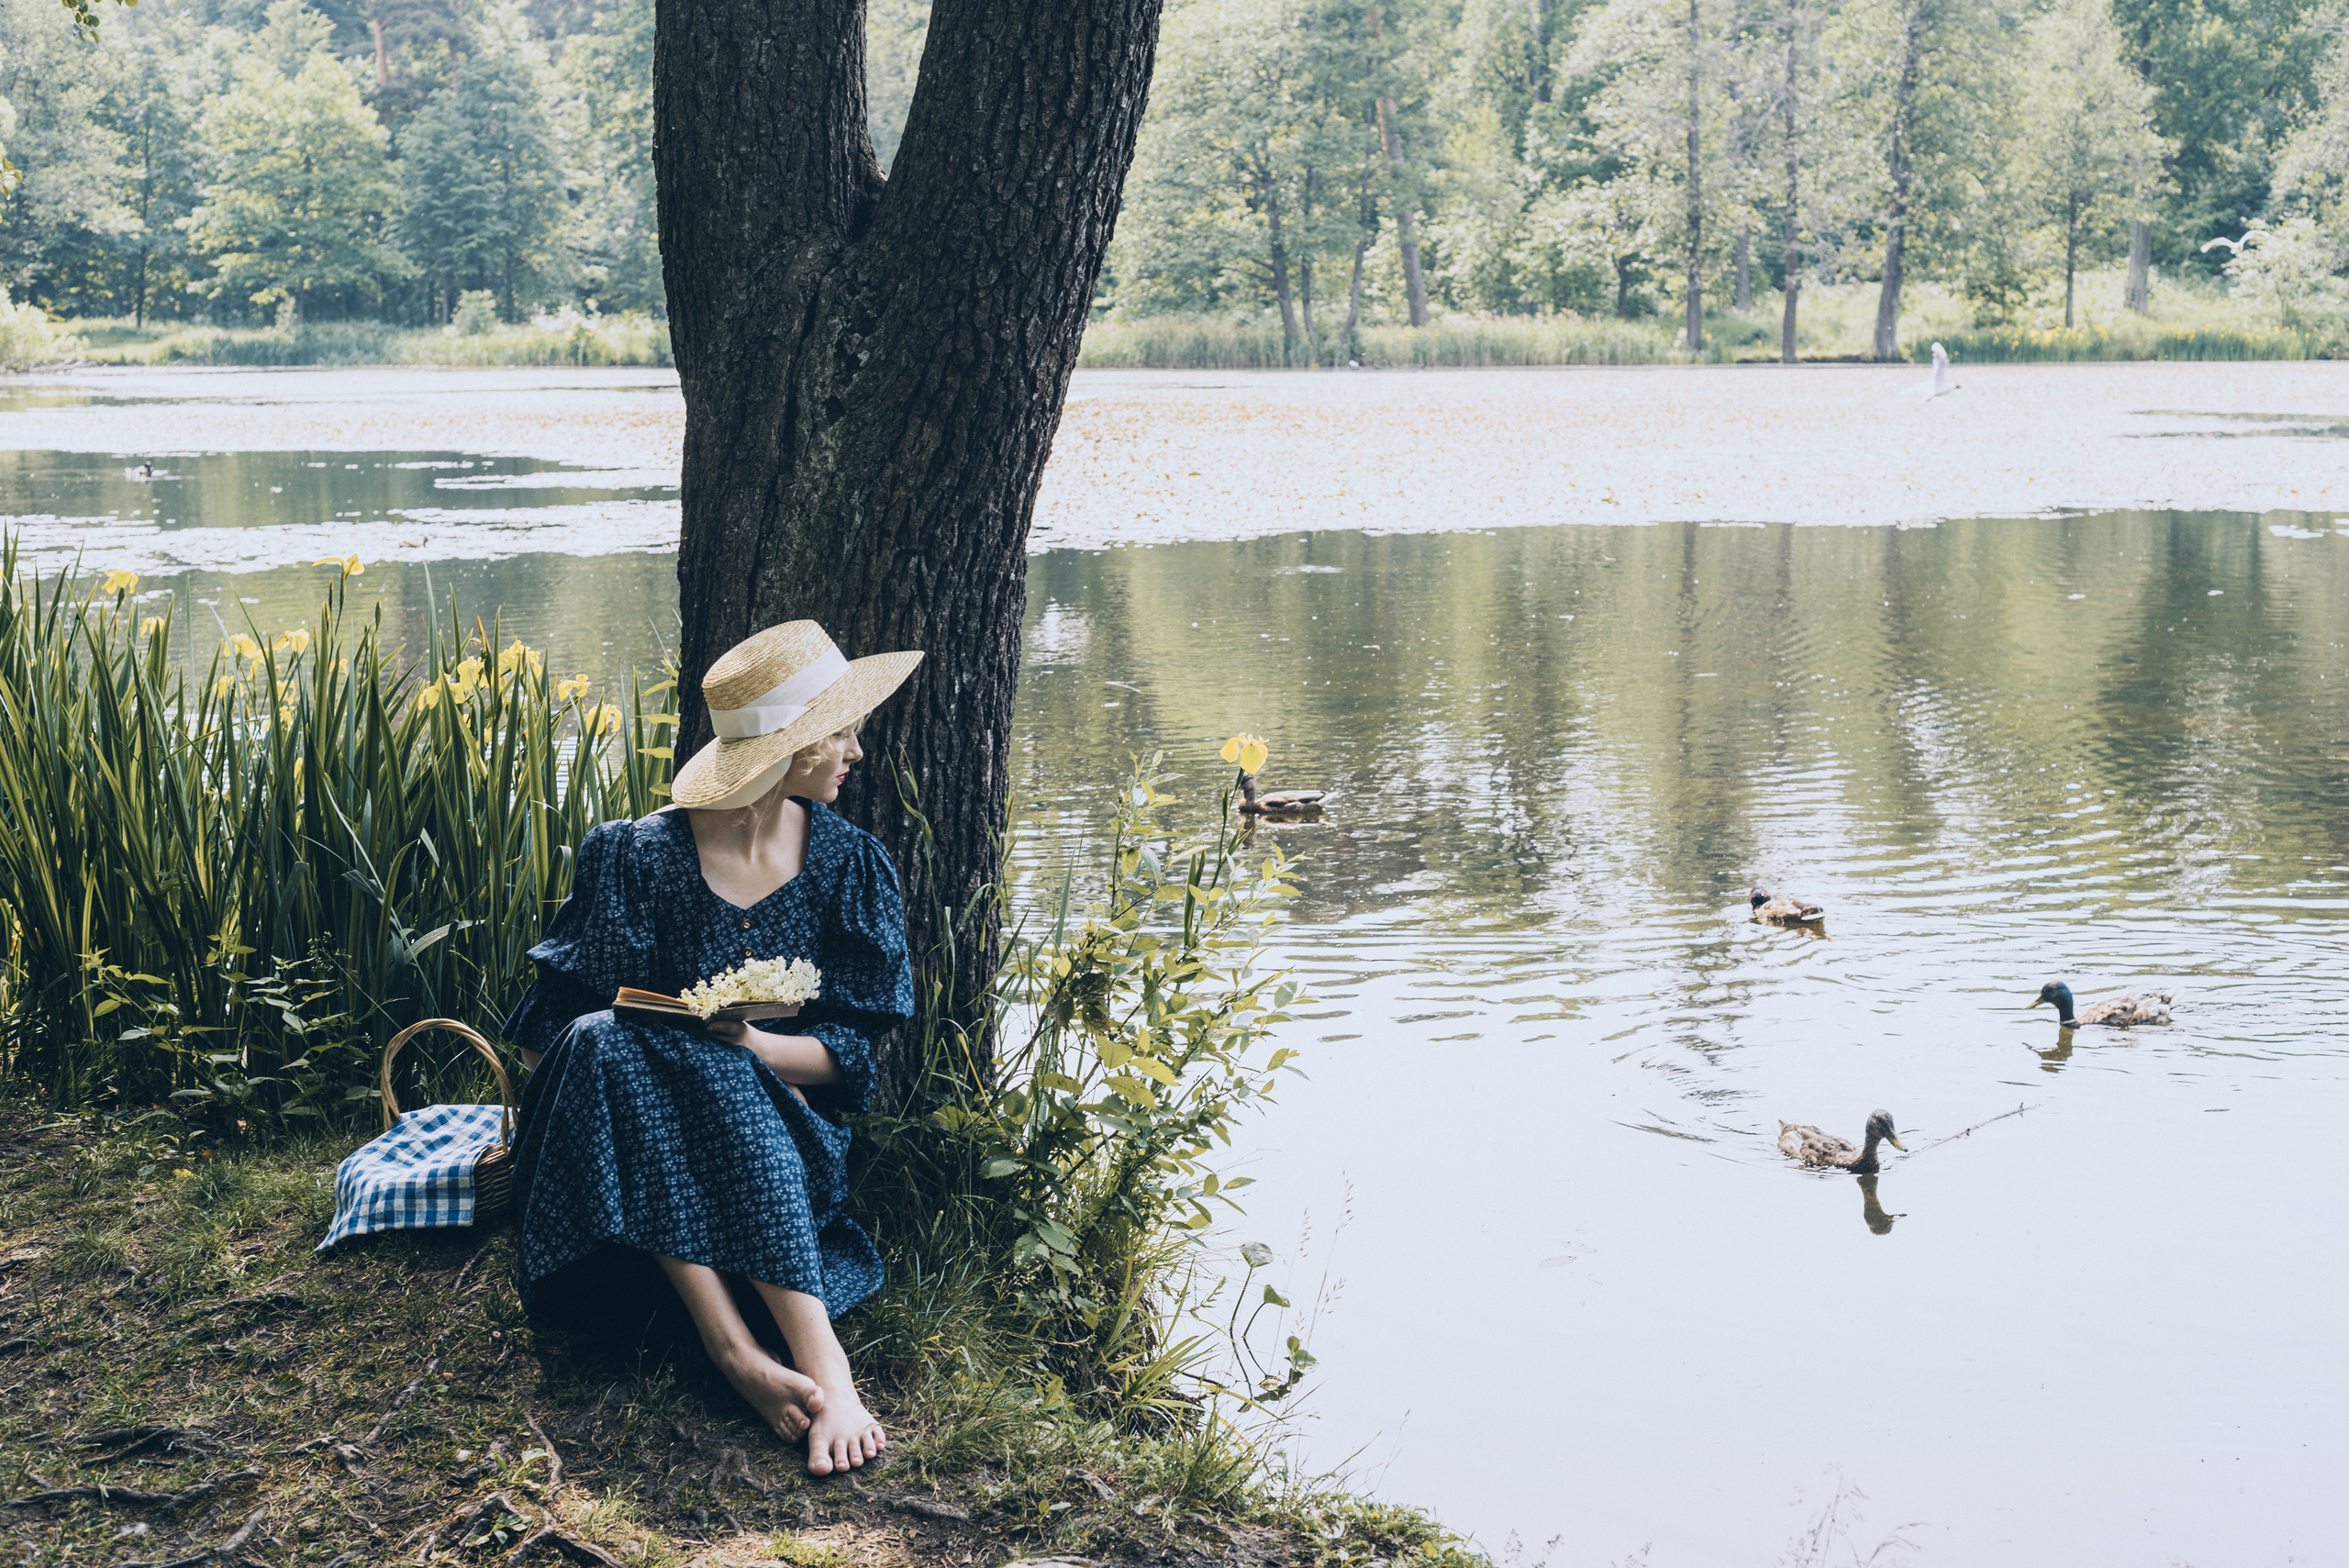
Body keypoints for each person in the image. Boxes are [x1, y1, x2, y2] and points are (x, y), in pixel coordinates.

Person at [504, 621, 922, 1474]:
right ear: (793, 742)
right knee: (604, 1040)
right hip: (618, 1174)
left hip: (781, 1143)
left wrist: (752, 1047)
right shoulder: (636, 855)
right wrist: (672, 1058)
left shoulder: (850, 865)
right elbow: (553, 1044)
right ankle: (740, 1354)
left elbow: (854, 1057)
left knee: (705, 1061)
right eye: (840, 730)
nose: (857, 749)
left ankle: (813, 1364)